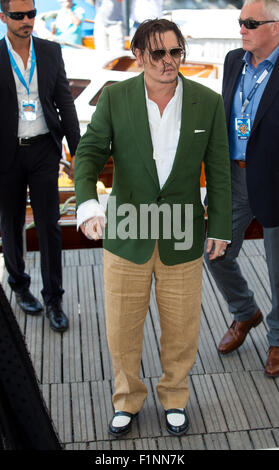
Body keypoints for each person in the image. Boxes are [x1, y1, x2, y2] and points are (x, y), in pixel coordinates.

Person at [74, 18, 232, 437]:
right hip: (127, 231)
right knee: (122, 326)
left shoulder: (207, 101)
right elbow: (88, 154)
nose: (168, 61)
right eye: (158, 53)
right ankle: (126, 399)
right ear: (139, 55)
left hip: (183, 230)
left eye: (175, 52)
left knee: (181, 326)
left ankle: (174, 396)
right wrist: (88, 204)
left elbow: (218, 170)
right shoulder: (115, 99)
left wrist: (219, 225)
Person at [205, 0, 279, 377]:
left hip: (275, 181)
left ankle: (278, 338)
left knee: (278, 268)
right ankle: (244, 311)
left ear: (276, 28)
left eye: (250, 23)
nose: (242, 29)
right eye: (240, 21)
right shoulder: (234, 59)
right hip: (232, 177)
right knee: (214, 251)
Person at [0, 0, 80, 332]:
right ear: (3, 17)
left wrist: (78, 154)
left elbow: (64, 102)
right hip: (7, 154)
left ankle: (54, 299)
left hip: (45, 149)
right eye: (18, 15)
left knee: (49, 226)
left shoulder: (50, 51)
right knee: (11, 222)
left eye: (31, 13)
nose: (26, 20)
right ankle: (19, 285)